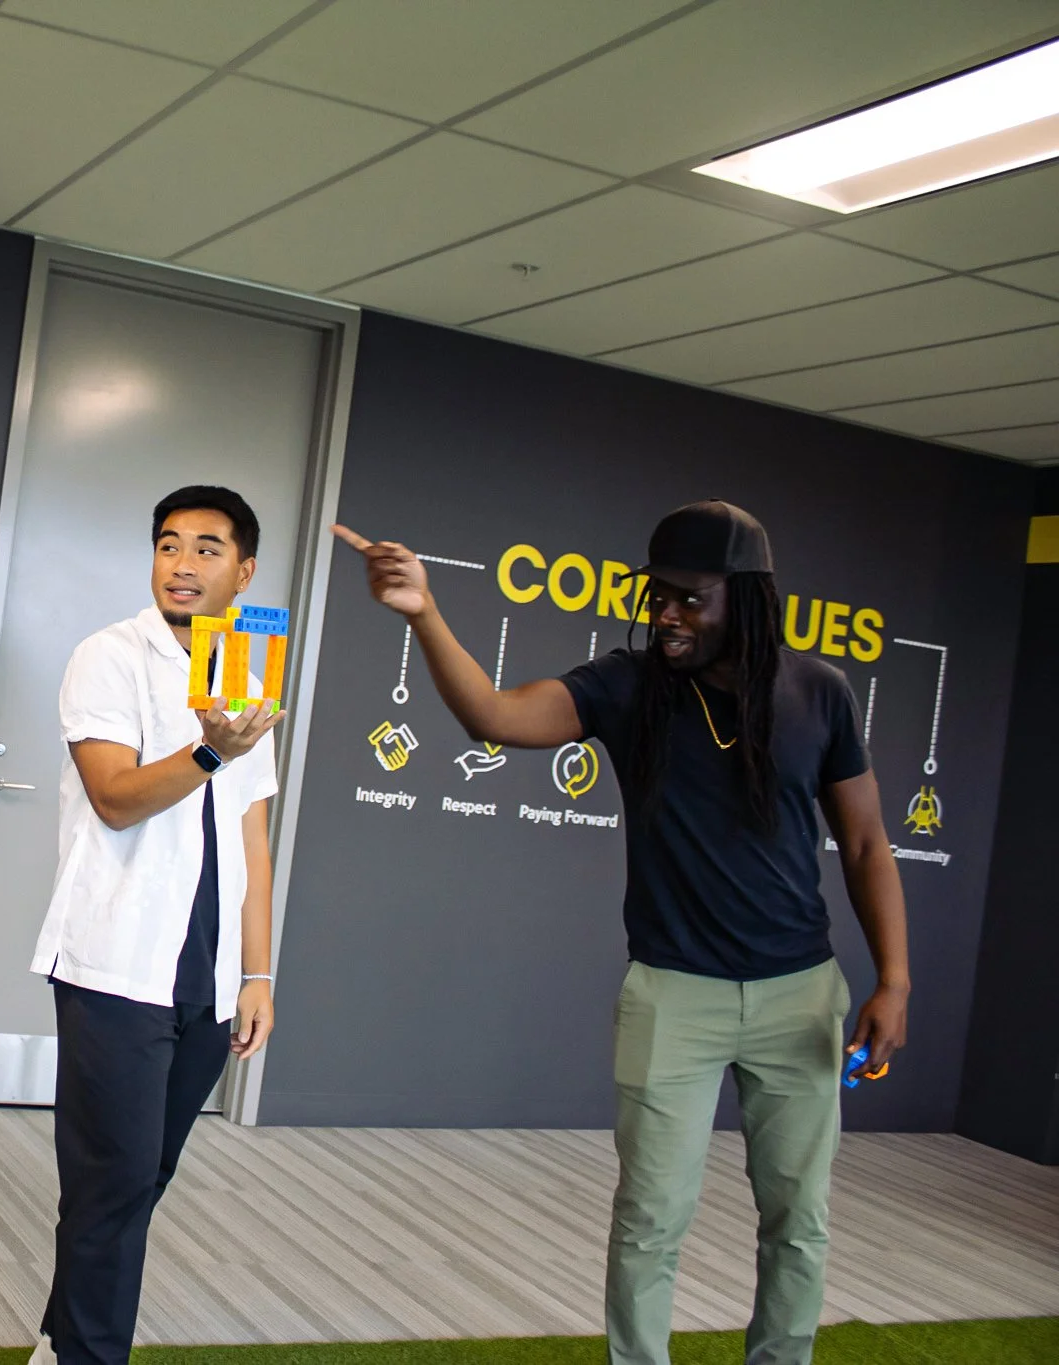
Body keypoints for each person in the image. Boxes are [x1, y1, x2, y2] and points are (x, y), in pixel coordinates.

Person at [333, 501, 910, 1365]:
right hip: (673, 995)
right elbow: (493, 715)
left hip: (801, 993)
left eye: (690, 599)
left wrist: (893, 979)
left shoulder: (818, 691)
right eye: (658, 596)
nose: (667, 614)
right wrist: (427, 614)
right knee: (650, 1218)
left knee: (799, 1218)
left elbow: (866, 841)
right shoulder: (627, 685)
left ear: (744, 598)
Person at [27, 486, 286, 1365]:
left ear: (244, 571)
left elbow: (253, 836)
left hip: (208, 974)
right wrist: (211, 749)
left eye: (208, 548)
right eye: (170, 544)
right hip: (115, 964)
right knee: (115, 1180)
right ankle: (88, 1356)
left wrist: (258, 975)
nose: (183, 563)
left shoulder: (253, 673)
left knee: (141, 1178)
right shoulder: (108, 656)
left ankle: (63, 1338)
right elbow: (115, 798)